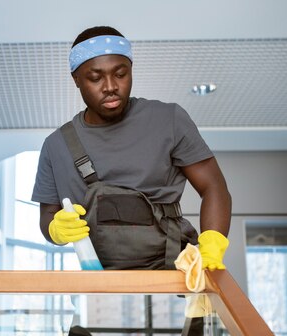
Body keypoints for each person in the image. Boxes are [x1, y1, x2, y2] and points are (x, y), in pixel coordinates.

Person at [32, 25, 232, 271]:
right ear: (76, 79)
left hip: (174, 272)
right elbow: (47, 216)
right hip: (101, 285)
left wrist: (212, 245)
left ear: (131, 70)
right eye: (95, 78)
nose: (110, 86)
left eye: (120, 74)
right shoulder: (56, 145)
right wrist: (55, 229)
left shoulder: (168, 119)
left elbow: (214, 187)